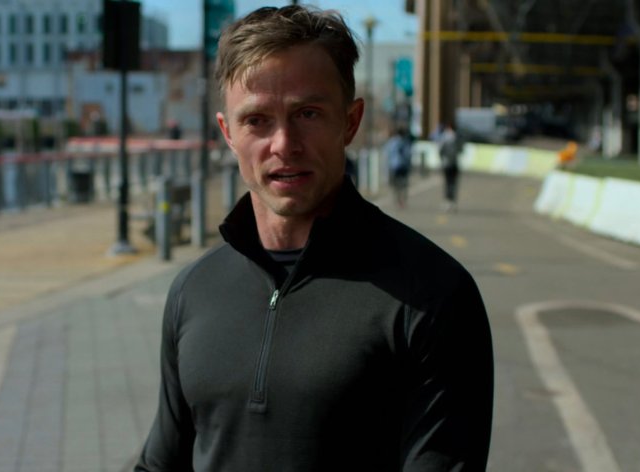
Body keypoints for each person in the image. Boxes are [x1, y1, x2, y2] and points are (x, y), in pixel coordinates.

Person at [135, 5, 493, 471]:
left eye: (307, 113)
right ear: (227, 132)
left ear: (350, 121)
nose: (283, 143)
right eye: (257, 120)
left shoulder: (434, 296)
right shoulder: (193, 290)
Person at [384, 126, 413, 208]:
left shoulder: (392, 142)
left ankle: (397, 200)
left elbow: (387, 153)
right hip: (404, 166)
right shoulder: (405, 141)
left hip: (394, 166)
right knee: (404, 184)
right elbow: (408, 154)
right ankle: (403, 200)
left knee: (395, 184)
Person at [438, 123, 462, 212]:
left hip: (446, 163)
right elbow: (461, 149)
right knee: (454, 183)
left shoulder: (445, 137)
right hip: (454, 163)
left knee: (447, 183)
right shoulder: (457, 137)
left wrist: (442, 158)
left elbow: (440, 149)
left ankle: (448, 201)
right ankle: (453, 202)